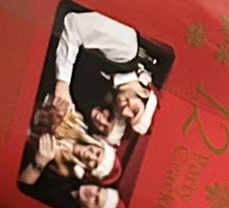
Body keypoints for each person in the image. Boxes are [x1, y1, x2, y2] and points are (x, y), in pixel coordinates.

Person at [48, 8, 159, 139]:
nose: (125, 111)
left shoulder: (105, 84)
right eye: (135, 110)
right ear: (144, 93)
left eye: (128, 118)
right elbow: (74, 24)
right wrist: (63, 83)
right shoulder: (127, 50)